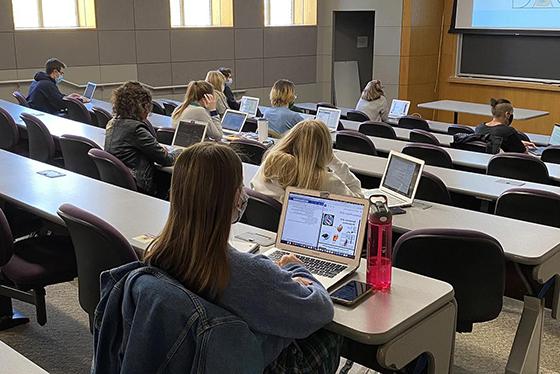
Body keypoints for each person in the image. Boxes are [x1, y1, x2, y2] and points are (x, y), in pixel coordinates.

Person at [142, 142, 341, 373]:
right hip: (254, 364)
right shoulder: (247, 271)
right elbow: (320, 310)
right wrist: (297, 270)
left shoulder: (157, 254)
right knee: (329, 335)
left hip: (194, 361)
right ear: (234, 198)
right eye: (240, 186)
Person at [252, 120, 363, 202]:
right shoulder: (328, 181)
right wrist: (334, 162)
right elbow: (359, 202)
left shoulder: (267, 167)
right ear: (326, 150)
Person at [104, 81, 179, 196]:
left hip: (122, 184)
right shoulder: (135, 129)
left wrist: (155, 149)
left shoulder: (112, 123)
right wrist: (179, 152)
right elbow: (166, 159)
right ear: (143, 106)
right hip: (141, 186)